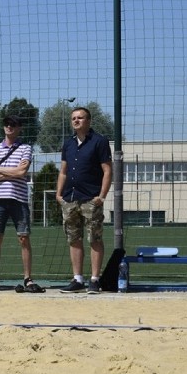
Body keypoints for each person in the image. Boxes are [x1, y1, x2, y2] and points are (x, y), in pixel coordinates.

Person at [0, 115, 44, 293]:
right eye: (6, 124)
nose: (9, 127)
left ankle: (28, 278)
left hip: (19, 198)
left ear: (19, 128)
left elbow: (22, 172)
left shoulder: (26, 148)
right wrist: (12, 173)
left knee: (23, 238)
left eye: (13, 124)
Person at [56, 106, 113, 294]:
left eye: (80, 118)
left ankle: (95, 279)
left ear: (88, 121)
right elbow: (63, 171)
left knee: (94, 238)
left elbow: (107, 171)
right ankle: (77, 279)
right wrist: (59, 194)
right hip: (70, 198)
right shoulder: (68, 144)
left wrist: (101, 196)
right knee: (73, 238)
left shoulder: (100, 142)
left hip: (91, 198)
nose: (76, 121)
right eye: (73, 118)